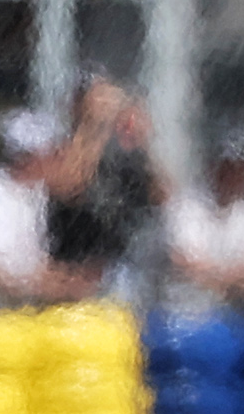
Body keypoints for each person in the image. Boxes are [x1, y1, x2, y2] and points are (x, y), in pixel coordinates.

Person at [42, 75, 165, 296]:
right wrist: (95, 125)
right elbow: (68, 187)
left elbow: (163, 198)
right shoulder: (60, 144)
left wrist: (142, 141)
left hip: (121, 267)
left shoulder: (123, 156)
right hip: (73, 268)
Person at [0, 108, 86, 306]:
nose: (64, 160)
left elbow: (26, 262)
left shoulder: (35, 195)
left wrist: (65, 279)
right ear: (31, 159)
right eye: (56, 154)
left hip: (14, 319)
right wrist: (35, 287)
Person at [163, 131, 244, 307]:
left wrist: (227, 278)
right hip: (188, 314)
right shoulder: (186, 206)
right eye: (231, 168)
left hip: (237, 311)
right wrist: (243, 278)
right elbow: (187, 267)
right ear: (214, 166)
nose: (239, 175)